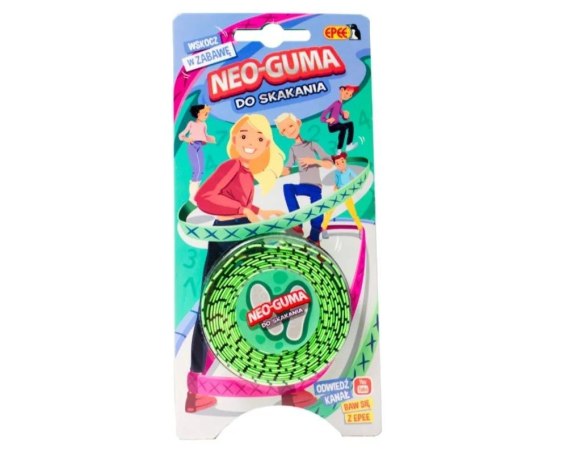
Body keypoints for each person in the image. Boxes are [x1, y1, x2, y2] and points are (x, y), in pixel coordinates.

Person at [275, 112, 333, 246]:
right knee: (287, 187)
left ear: (298, 123)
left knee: (317, 209)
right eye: (284, 130)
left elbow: (329, 164)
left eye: (290, 126)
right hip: (303, 185)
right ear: (282, 134)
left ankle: (314, 237)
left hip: (315, 186)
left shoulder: (312, 145)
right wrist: (278, 171)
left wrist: (314, 161)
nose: (289, 131)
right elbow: (288, 168)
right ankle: (297, 222)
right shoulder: (293, 149)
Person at [178, 104, 216, 204]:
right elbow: (181, 135)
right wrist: (187, 139)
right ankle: (192, 197)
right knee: (197, 170)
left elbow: (205, 136)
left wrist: (211, 139)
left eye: (207, 114)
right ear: (198, 114)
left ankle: (196, 194)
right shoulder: (191, 123)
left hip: (200, 146)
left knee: (201, 170)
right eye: (205, 114)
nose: (207, 116)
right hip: (193, 146)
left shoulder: (204, 125)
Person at [321, 152, 363, 239]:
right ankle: (324, 228)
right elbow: (336, 182)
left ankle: (360, 229)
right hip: (339, 193)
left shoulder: (349, 171)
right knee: (330, 211)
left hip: (347, 193)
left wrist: (356, 186)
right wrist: (335, 188)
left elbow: (356, 179)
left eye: (342, 162)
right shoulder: (337, 172)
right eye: (337, 163)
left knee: (353, 212)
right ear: (335, 165)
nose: (340, 165)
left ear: (345, 161)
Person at [320, 85, 359, 153]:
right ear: (341, 90)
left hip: (337, 124)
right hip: (332, 126)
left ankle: (349, 145)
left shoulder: (340, 104)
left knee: (350, 124)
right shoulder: (335, 103)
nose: (348, 96)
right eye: (347, 93)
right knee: (343, 128)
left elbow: (341, 113)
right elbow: (323, 116)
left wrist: (345, 116)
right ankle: (339, 149)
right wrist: (327, 120)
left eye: (350, 95)